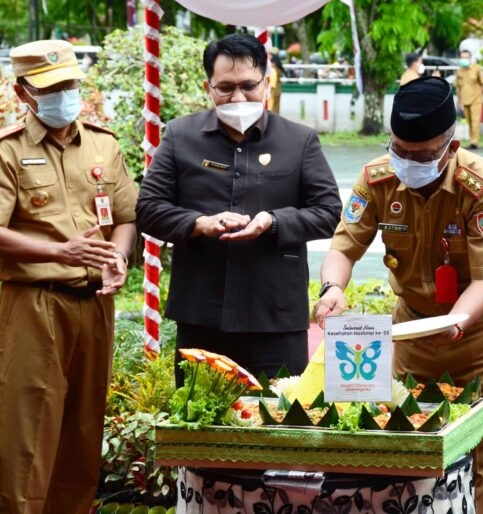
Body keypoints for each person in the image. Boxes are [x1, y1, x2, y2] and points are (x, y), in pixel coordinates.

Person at [314, 76, 483, 514]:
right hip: (410, 333)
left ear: (452, 145)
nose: (408, 162)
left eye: (422, 155)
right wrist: (332, 289)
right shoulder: (377, 179)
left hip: (478, 338)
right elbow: (343, 246)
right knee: (406, 448)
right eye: (400, 150)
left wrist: (456, 322)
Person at [135, 33, 342, 384]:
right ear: (208, 87)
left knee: (279, 426)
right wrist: (199, 223)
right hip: (201, 315)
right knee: (201, 428)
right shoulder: (180, 136)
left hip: (275, 315)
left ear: (266, 82)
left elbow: (328, 211)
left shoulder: (299, 140)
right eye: (225, 88)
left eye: (248, 86)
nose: (238, 97)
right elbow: (148, 209)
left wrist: (273, 222)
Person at [0, 39, 138, 513]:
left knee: (82, 428)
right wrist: (62, 250)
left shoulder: (103, 143)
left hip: (95, 303)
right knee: (26, 433)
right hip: (35, 303)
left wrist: (117, 259)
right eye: (53, 87)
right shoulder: (6, 151)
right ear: (23, 93)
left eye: (72, 83)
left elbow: (125, 217)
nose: (65, 94)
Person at [455, 49, 483, 149]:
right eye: (462, 57)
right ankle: (472, 139)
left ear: (470, 58)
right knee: (469, 121)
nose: (464, 59)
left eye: (466, 57)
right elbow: (458, 87)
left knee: (475, 120)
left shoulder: (477, 68)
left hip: (476, 98)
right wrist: (459, 101)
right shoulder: (459, 71)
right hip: (465, 99)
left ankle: (475, 141)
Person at [268, 48, 285, 114]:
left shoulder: (272, 68)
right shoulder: (279, 68)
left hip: (272, 90)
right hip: (278, 89)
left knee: (271, 107)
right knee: (276, 108)